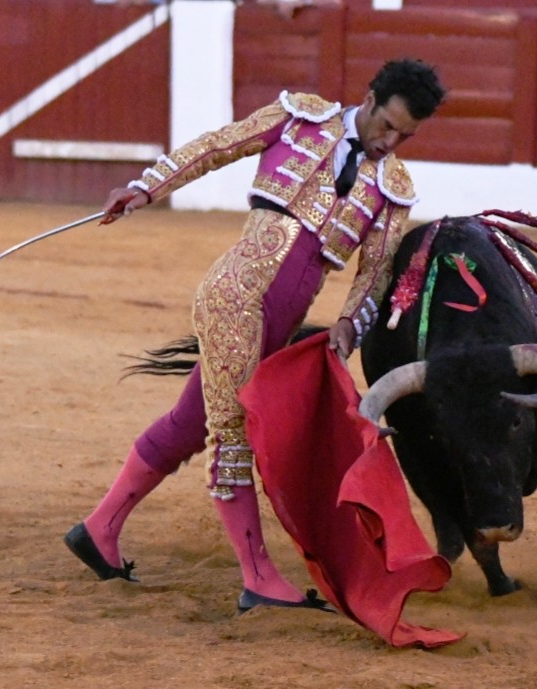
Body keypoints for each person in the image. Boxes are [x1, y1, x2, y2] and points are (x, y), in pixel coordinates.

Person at [63, 59, 447, 612]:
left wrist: (349, 323)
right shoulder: (299, 119)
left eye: (405, 136)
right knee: (231, 436)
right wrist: (147, 187)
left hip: (278, 324)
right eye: (387, 125)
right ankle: (258, 577)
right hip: (234, 298)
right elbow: (217, 146)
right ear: (368, 100)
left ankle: (99, 530)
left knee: (188, 423)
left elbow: (376, 273)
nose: (390, 142)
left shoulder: (393, 187)